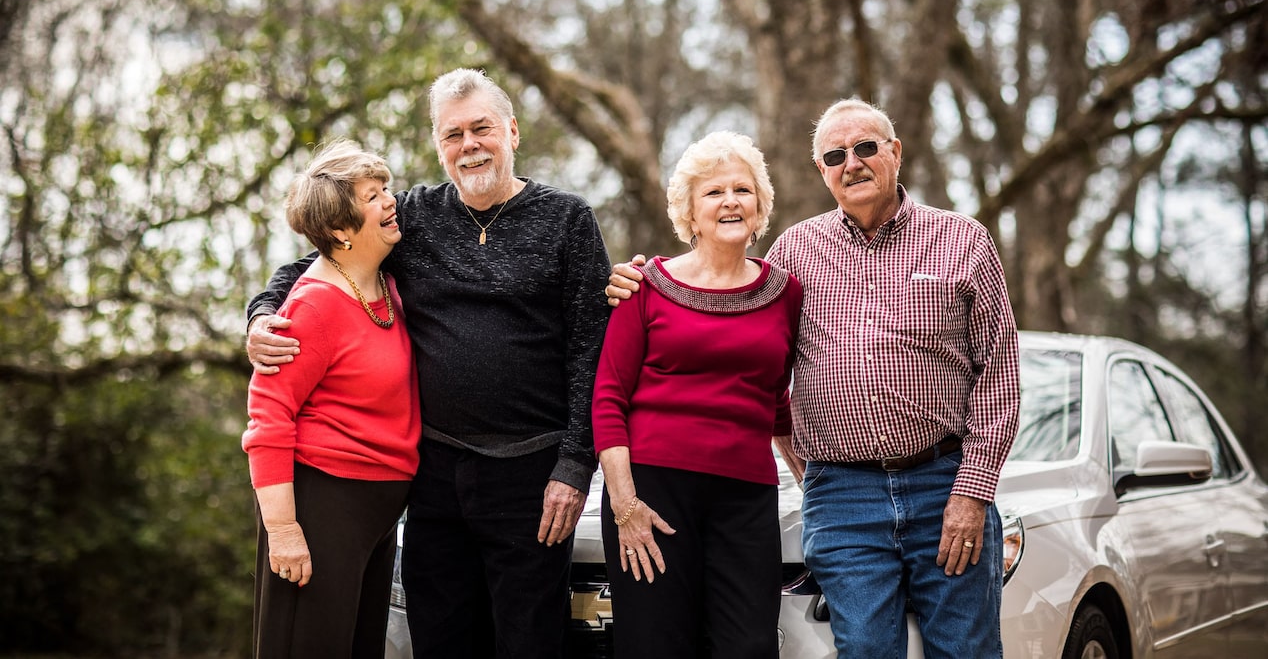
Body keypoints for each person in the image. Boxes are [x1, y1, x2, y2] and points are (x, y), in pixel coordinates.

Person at [606, 99, 1020, 659]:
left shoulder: (963, 240)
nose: (852, 163)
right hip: (842, 496)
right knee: (863, 650)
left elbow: (999, 377)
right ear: (821, 171)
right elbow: (770, 386)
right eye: (834, 155)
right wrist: (813, 481)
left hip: (943, 484)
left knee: (965, 650)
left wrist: (972, 492)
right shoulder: (795, 256)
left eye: (865, 147)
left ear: (895, 152)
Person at [245, 68, 612, 659]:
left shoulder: (568, 220)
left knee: (528, 643)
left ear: (512, 131)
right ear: (439, 147)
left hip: (532, 476)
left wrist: (574, 466)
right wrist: (261, 316)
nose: (469, 145)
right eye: (452, 134)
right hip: (434, 473)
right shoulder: (413, 216)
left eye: (481, 129)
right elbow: (313, 264)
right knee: (438, 639)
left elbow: (591, 349)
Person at [592, 131, 802, 658]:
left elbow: (775, 398)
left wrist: (812, 480)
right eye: (713, 192)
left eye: (742, 189)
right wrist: (624, 505)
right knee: (655, 647)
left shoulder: (786, 292)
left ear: (760, 206)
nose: (730, 201)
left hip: (747, 500)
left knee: (748, 647)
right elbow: (608, 400)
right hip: (653, 496)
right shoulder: (644, 285)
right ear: (689, 210)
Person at [243, 139, 420, 659]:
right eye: (373, 195)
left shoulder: (387, 284)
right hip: (322, 507)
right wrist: (284, 530)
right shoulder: (314, 305)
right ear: (340, 230)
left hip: (378, 514)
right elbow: (267, 418)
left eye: (386, 188)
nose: (391, 201)